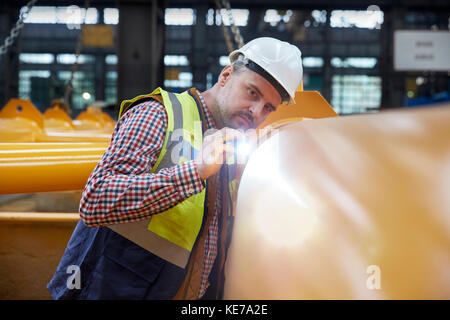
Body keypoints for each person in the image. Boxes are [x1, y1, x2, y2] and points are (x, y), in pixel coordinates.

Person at [47, 37, 303, 300]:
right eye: (252, 93)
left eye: (268, 107)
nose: (256, 112)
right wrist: (195, 172)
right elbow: (95, 200)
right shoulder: (158, 115)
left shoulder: (231, 145)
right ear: (226, 75)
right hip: (106, 290)